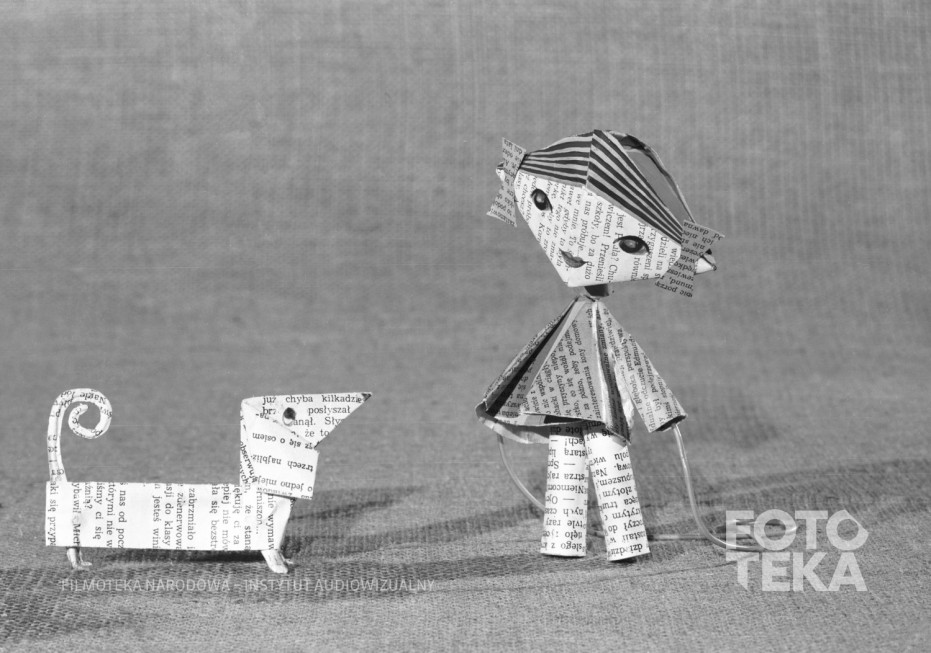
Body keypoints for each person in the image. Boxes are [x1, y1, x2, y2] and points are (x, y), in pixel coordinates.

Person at [476, 130, 721, 560]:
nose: (574, 246)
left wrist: (659, 408)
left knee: (605, 456)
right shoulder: (579, 316)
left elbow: (628, 360)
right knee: (568, 459)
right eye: (542, 202)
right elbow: (544, 356)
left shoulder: (593, 317)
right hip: (562, 401)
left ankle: (623, 539)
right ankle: (565, 537)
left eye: (630, 244)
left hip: (599, 409)